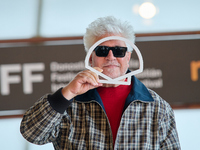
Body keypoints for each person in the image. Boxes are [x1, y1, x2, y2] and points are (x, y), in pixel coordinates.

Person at [20, 16, 181, 149]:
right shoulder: (69, 102)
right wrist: (67, 93)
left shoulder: (157, 107)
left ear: (128, 56)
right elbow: (32, 133)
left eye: (119, 50)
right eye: (102, 50)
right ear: (91, 57)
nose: (111, 57)